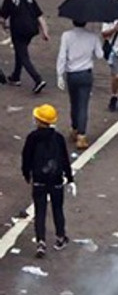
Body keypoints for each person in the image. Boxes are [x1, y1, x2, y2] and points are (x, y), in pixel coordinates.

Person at [22, 104, 73, 259]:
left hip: (39, 180)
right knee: (58, 209)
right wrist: (70, 178)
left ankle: (41, 242)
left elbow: (26, 157)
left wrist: (27, 174)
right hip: (56, 179)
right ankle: (60, 237)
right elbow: (64, 159)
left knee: (40, 211)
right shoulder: (58, 138)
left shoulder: (32, 137)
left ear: (38, 120)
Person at [57, 20, 102, 151]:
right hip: (86, 73)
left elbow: (62, 56)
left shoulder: (66, 35)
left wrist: (59, 74)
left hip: (72, 74)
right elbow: (100, 55)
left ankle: (75, 128)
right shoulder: (92, 36)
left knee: (74, 103)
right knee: (83, 104)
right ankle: (82, 135)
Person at [2, 0, 50, 93]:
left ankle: (37, 79)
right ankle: (16, 76)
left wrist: (4, 27)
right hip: (31, 30)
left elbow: (2, 18)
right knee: (21, 50)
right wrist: (45, 31)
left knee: (23, 55)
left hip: (18, 30)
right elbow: (40, 17)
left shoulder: (10, 0)